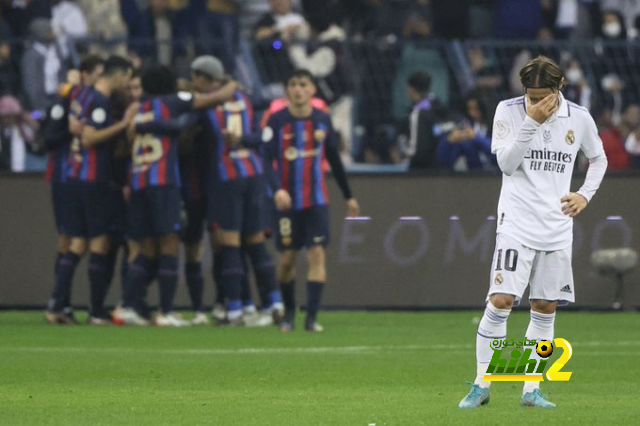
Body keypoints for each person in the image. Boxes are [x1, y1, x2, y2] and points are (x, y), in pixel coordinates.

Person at [458, 56, 607, 409]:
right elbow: (506, 164)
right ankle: (482, 384)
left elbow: (598, 158)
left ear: (560, 89)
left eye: (543, 96)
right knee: (501, 301)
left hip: (556, 226)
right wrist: (531, 121)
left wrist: (584, 194)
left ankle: (530, 389)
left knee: (544, 307)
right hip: (518, 222)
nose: (536, 102)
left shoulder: (579, 118)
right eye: (531, 95)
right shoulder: (508, 111)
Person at [114, 65, 237, 327]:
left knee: (146, 249)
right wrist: (231, 85)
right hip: (163, 183)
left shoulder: (139, 107)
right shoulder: (171, 102)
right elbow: (212, 99)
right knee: (169, 244)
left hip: (138, 182)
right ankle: (166, 311)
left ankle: (127, 307)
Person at [263, 69, 360, 332]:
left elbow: (334, 158)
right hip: (285, 203)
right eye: (292, 84)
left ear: (312, 90)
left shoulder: (321, 120)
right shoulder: (277, 121)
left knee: (317, 255)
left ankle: (311, 319)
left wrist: (348, 195)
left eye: (302, 84)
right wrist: (276, 190)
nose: (297, 89)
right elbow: (265, 160)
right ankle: (289, 313)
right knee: (287, 261)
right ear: (287, 91)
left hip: (316, 200)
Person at [190, 55, 283, 326]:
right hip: (253, 174)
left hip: (225, 178)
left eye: (196, 77)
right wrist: (243, 139)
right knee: (255, 244)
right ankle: (273, 302)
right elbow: (260, 138)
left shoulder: (205, 106)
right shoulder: (244, 99)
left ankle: (235, 309)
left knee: (230, 245)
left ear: (206, 79)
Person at [45, 55, 136, 325]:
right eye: (127, 77)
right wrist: (123, 124)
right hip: (92, 178)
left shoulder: (82, 97)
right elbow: (90, 137)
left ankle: (56, 305)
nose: (128, 83)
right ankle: (95, 311)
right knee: (98, 243)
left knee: (77, 243)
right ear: (118, 75)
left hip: (73, 176)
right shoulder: (99, 101)